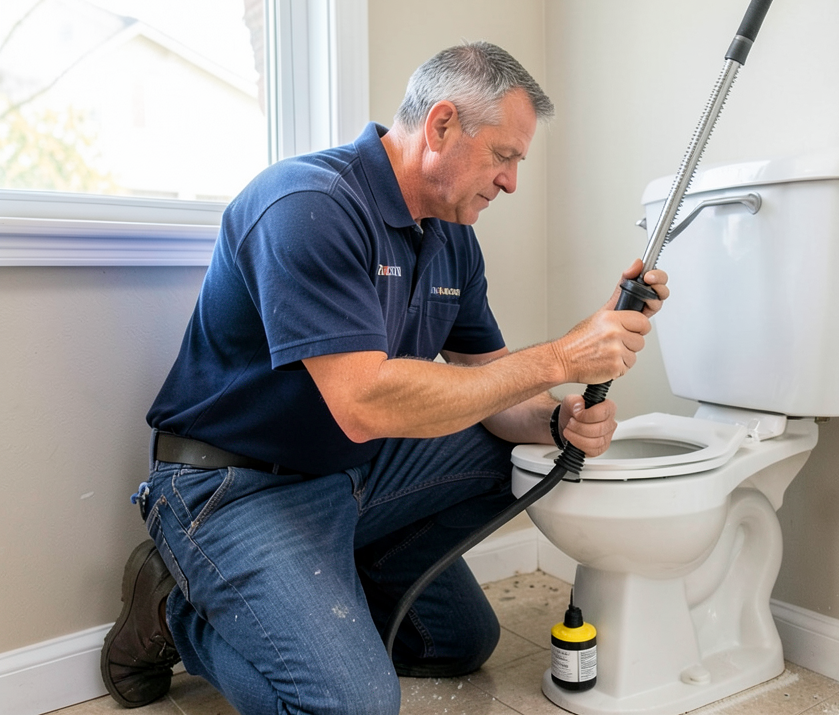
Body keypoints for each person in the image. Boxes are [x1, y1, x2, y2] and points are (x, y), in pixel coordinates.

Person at [100, 41, 668, 715]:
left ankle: (334, 580)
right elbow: (364, 402)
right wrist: (562, 357)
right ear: (442, 125)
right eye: (505, 156)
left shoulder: (453, 238)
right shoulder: (308, 205)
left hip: (351, 474)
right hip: (234, 486)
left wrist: (555, 418)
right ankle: (178, 614)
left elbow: (492, 387)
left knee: (457, 640)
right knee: (352, 706)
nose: (512, 181)